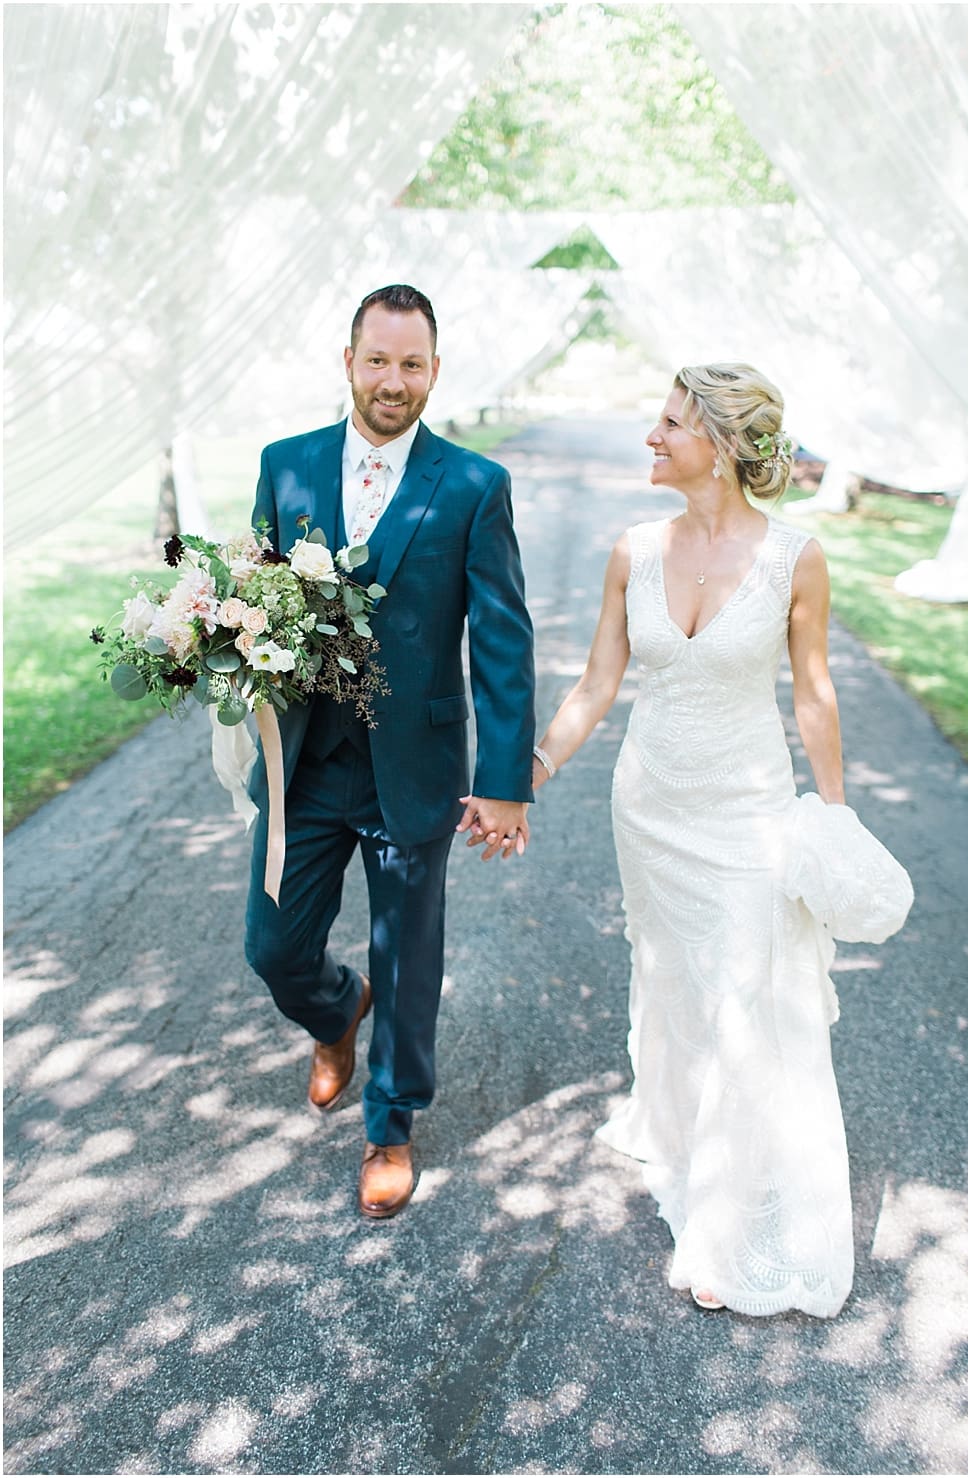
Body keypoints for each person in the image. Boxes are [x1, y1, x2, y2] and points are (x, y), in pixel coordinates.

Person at [530, 363, 906, 1318]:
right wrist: (526, 773)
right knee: (676, 983)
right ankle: (682, 1135)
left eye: (670, 423)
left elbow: (813, 694)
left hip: (746, 815)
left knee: (748, 1001)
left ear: (726, 444)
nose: (651, 438)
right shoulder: (632, 550)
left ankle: (728, 1226)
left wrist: (831, 815)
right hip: (647, 811)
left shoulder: (795, 558)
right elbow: (595, 685)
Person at [244, 283, 536, 1219]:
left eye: (412, 364)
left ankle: (391, 1124)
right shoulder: (285, 467)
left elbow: (502, 640)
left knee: (408, 956)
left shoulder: (474, 485)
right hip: (306, 761)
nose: (393, 381)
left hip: (415, 766)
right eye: (378, 360)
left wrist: (504, 780)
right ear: (349, 362)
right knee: (273, 948)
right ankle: (336, 1011)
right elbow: (253, 598)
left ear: (435, 372)